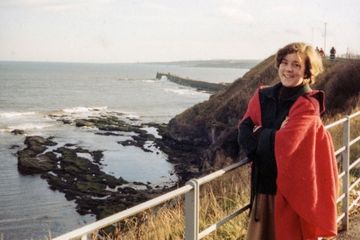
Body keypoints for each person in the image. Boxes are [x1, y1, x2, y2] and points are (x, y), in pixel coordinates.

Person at [238, 42, 338, 240]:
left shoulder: (308, 105)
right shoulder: (261, 96)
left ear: (308, 72)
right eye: (285, 62)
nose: (288, 69)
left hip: (292, 194)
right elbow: (243, 132)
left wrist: (259, 133)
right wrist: (270, 135)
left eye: (297, 65)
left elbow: (285, 145)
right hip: (264, 188)